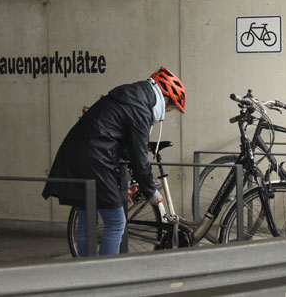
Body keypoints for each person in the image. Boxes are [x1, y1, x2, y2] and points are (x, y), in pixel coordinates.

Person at [42, 66, 185, 256]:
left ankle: (87, 274)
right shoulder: (141, 109)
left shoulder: (131, 95)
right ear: (165, 98)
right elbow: (138, 156)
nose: (168, 112)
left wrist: (125, 183)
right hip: (95, 161)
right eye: (171, 107)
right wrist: (151, 192)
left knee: (86, 223)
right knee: (116, 223)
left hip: (74, 155)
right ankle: (107, 276)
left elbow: (114, 141)